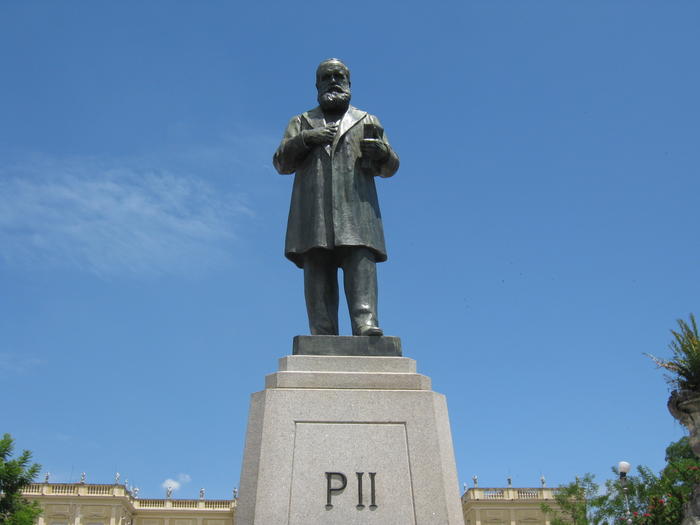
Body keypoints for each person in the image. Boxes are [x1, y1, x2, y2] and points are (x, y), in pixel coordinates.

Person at [273, 58, 399, 336]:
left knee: (360, 261)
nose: (333, 81)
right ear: (316, 85)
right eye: (326, 77)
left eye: (338, 76)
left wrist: (382, 154)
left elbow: (391, 167)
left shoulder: (367, 120)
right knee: (317, 265)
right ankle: (323, 331)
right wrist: (307, 138)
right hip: (314, 209)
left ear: (349, 83)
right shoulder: (301, 122)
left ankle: (366, 323)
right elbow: (281, 163)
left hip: (356, 208)